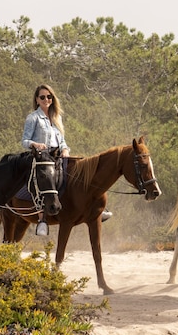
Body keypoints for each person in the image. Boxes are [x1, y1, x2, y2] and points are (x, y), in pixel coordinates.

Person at [21, 84, 112, 236]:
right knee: (47, 179)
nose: (46, 99)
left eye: (49, 97)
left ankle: (95, 209)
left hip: (58, 155)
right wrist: (36, 144)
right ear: (37, 100)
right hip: (41, 157)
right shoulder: (33, 118)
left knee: (82, 172)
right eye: (42, 97)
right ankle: (42, 219)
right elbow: (24, 141)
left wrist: (65, 149)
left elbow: (62, 140)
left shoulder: (57, 117)